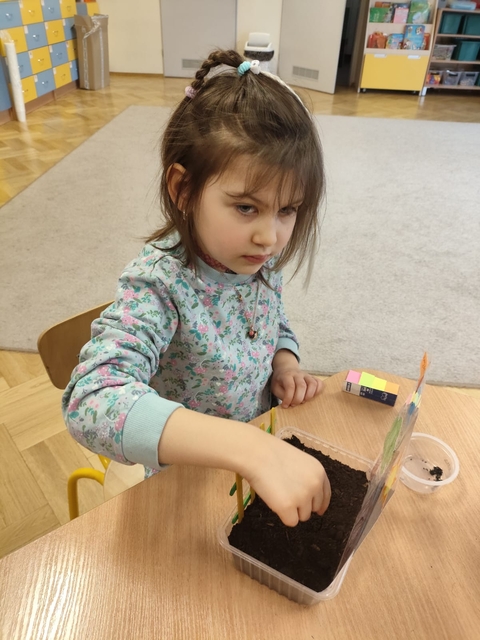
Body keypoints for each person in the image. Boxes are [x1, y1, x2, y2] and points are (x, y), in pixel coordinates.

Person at [63, 49, 330, 527]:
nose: (269, 237)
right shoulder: (158, 284)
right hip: (188, 483)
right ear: (183, 190)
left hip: (260, 454)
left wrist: (284, 362)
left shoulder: (256, 259)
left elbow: (272, 318)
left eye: (287, 210)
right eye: (246, 207)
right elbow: (91, 400)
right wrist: (248, 447)